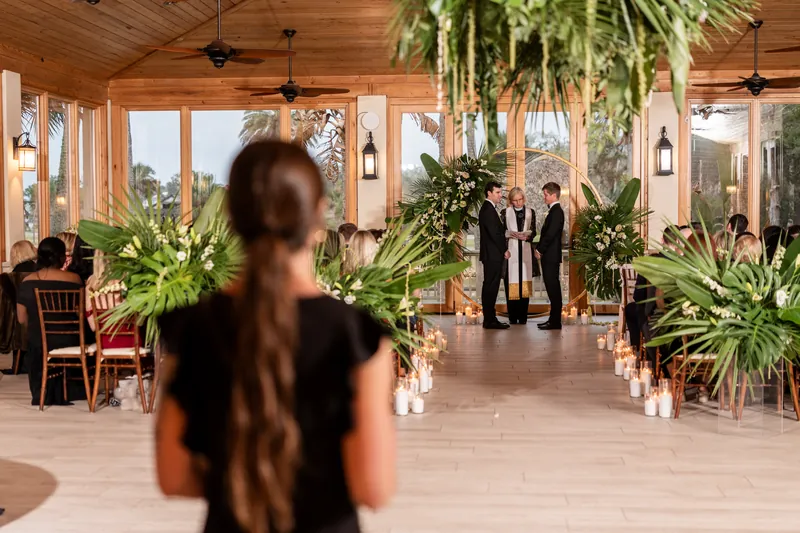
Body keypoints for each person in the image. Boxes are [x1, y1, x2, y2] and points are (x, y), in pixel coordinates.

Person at [155, 141, 396, 533]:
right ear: (318, 216)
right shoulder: (355, 334)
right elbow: (374, 487)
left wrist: (240, 486)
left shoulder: (192, 328)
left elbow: (173, 476)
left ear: (231, 217)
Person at [16, 237, 89, 406]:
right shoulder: (74, 279)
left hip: (40, 344)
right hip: (71, 341)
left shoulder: (27, 282)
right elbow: (82, 313)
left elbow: (21, 319)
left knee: (34, 342)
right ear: (62, 257)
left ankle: (42, 390)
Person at [502, 187, 538, 325]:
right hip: (511, 252)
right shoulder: (505, 213)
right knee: (511, 283)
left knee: (524, 284)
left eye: (520, 199)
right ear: (511, 201)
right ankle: (512, 316)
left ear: (524, 198)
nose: (518, 203)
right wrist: (509, 235)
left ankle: (523, 317)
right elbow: (501, 232)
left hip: (525, 250)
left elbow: (534, 231)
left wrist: (527, 237)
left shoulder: (530, 212)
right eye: (515, 200)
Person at [478, 181, 510, 329]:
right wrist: (505, 249)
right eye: (497, 192)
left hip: (491, 255)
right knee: (491, 287)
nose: (500, 195)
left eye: (500, 192)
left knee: (491, 286)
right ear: (489, 193)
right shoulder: (488, 209)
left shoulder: (489, 208)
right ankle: (489, 320)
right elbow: (495, 234)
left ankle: (490, 318)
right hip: (492, 255)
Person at [535, 182, 565, 330]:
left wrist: (539, 249)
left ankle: (555, 321)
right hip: (551, 255)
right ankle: (553, 320)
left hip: (551, 256)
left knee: (553, 288)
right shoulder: (555, 211)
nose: (544, 197)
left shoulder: (556, 212)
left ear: (554, 195)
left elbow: (550, 235)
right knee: (552, 288)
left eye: (546, 194)